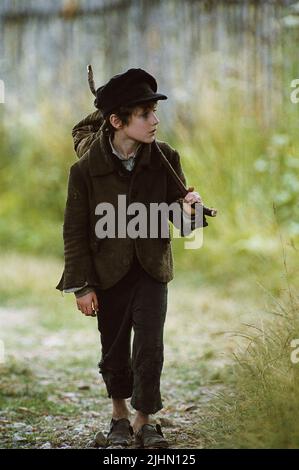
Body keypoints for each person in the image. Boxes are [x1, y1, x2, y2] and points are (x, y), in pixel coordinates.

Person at [56, 68, 207, 448]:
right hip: (107, 273)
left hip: (151, 269)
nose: (155, 121)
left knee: (150, 346)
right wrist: (81, 286)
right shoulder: (86, 170)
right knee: (114, 345)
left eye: (154, 113)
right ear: (117, 121)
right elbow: (74, 231)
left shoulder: (165, 158)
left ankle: (144, 420)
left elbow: (181, 223)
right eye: (145, 114)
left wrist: (190, 212)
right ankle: (119, 416)